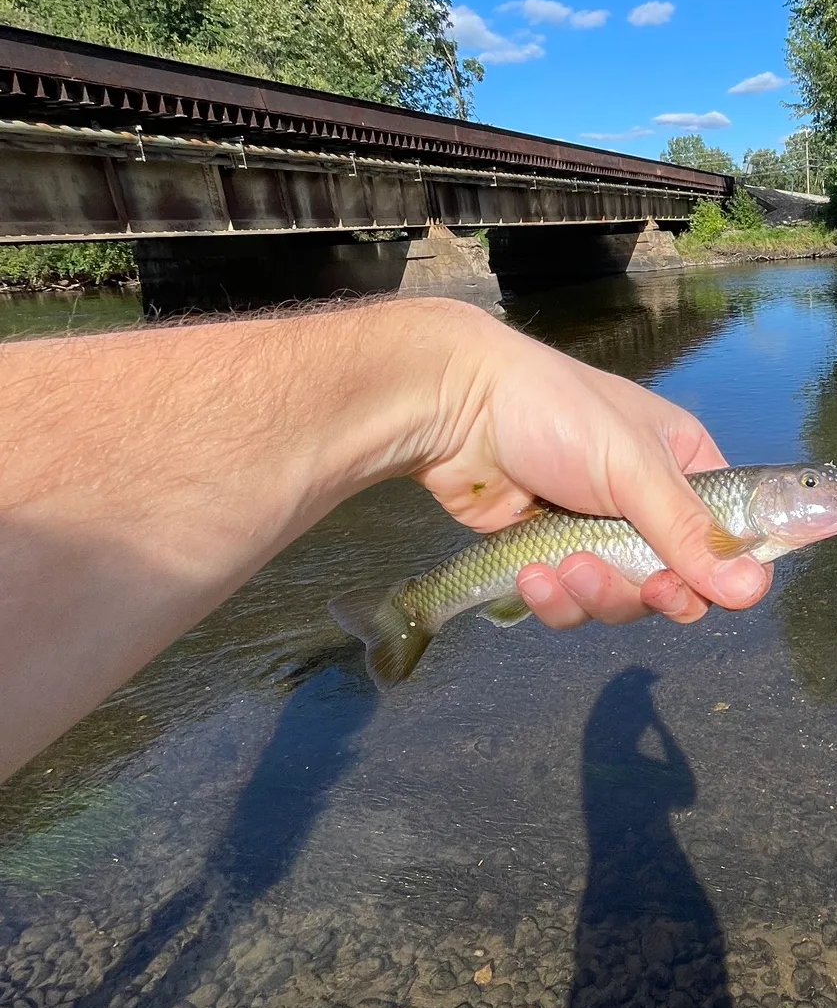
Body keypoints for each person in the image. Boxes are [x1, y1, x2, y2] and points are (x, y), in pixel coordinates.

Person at [0, 296, 770, 782]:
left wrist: (466, 390)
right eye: (806, 484)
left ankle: (418, 605)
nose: (815, 489)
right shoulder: (724, 516)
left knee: (537, 585)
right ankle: (416, 608)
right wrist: (462, 385)